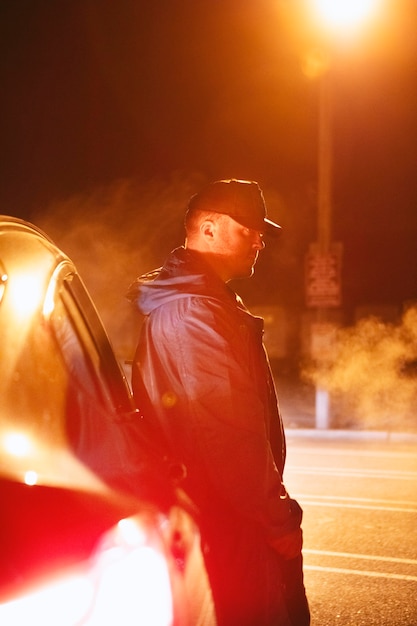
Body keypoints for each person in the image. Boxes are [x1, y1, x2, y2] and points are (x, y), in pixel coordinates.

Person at [127, 179, 310, 626]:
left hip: (227, 518)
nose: (259, 240)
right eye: (248, 227)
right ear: (207, 229)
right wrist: (277, 516)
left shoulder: (207, 301)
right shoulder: (193, 311)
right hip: (227, 525)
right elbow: (225, 434)